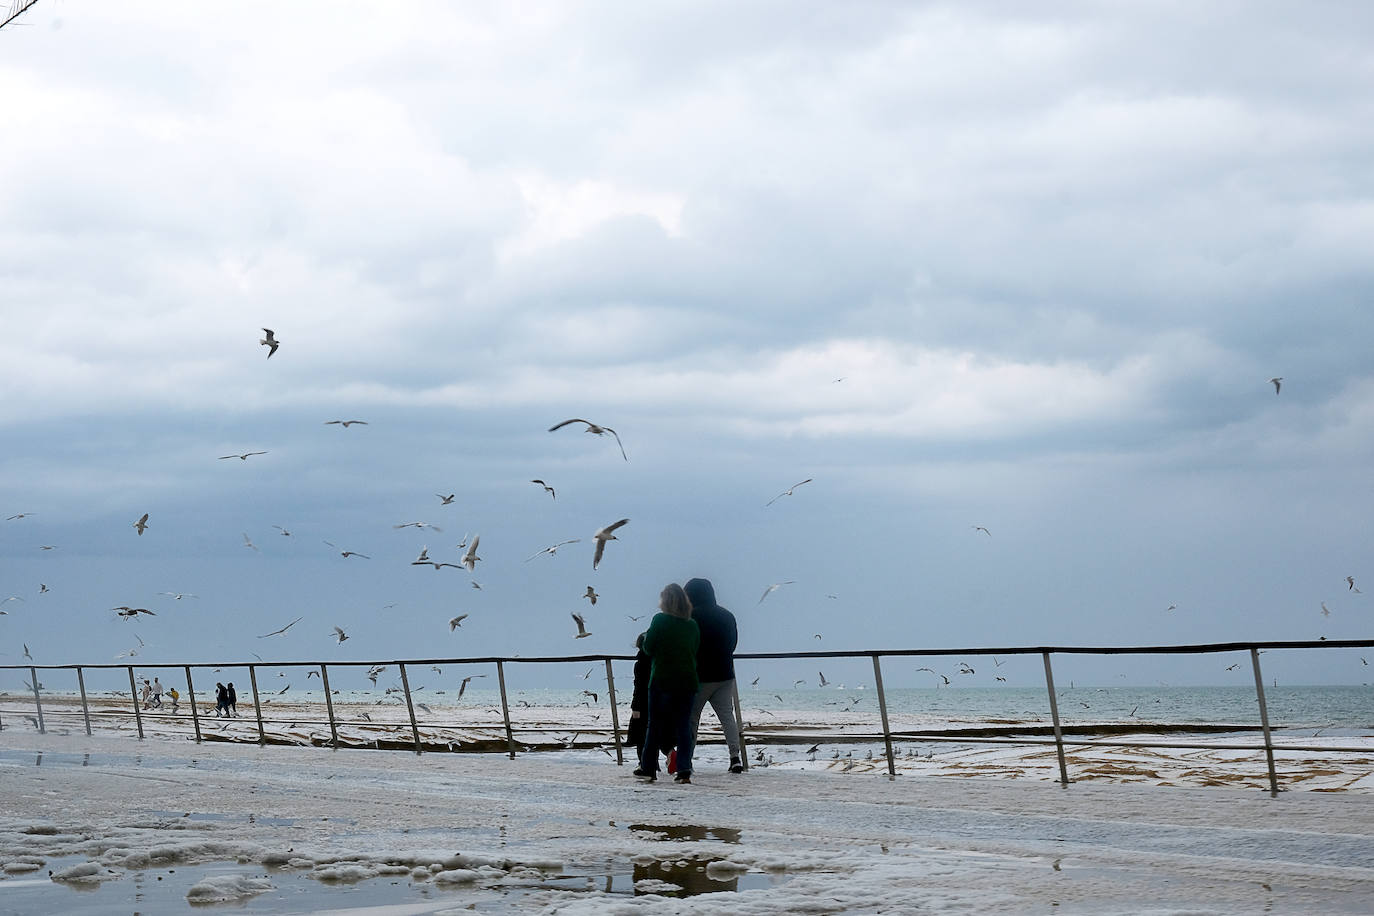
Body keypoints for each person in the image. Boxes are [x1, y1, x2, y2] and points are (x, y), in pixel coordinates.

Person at [634, 583, 700, 784]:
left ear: (666, 601)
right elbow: (694, 649)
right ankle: (684, 769)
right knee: (683, 726)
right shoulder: (692, 625)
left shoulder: (660, 620)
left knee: (654, 725)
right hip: (688, 680)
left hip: (662, 678)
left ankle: (648, 767)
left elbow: (649, 647)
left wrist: (647, 640)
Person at [685, 577, 743, 774]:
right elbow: (733, 644)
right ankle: (735, 757)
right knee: (727, 717)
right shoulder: (727, 616)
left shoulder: (690, 616)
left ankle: (688, 760)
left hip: (699, 676)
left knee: (692, 719)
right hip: (725, 673)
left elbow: (687, 646)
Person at [627, 632, 675, 769]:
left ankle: (646, 763)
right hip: (664, 701)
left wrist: (635, 707)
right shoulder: (663, 662)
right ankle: (670, 753)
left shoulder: (640, 663)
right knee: (662, 732)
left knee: (641, 735)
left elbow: (639, 687)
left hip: (644, 703)